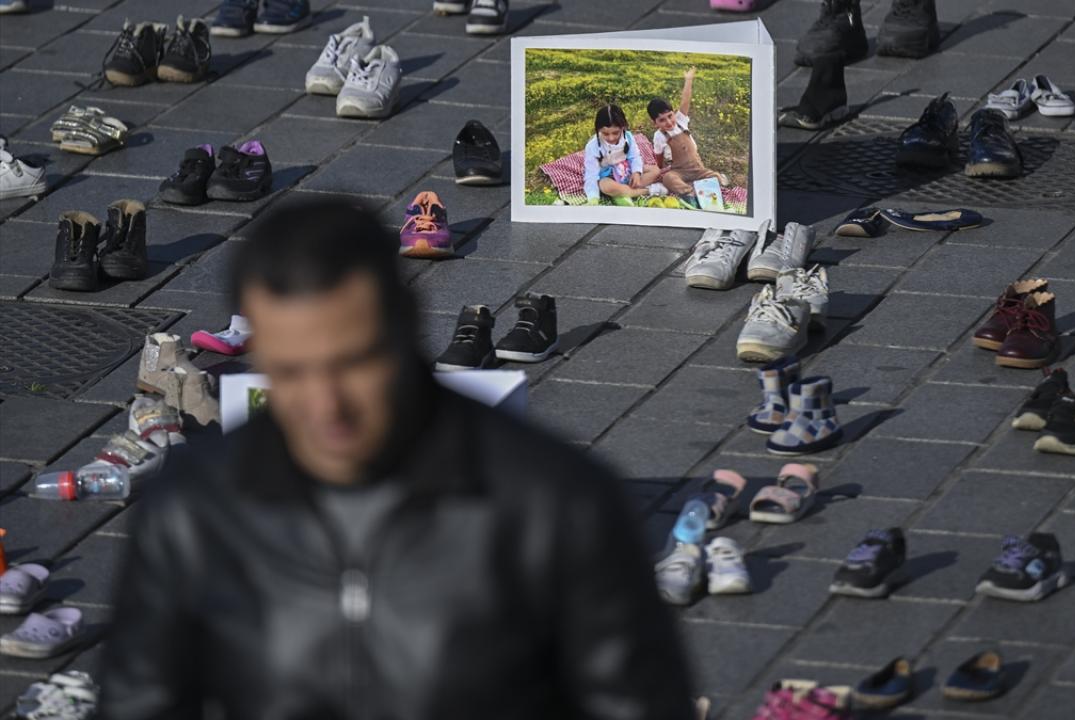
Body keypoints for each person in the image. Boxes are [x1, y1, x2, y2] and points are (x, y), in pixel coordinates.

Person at [98, 198, 695, 720]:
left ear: (408, 328)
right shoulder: (196, 506)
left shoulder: (553, 504)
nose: (326, 405)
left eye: (354, 363)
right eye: (291, 372)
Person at [649, 68, 728, 204]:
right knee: (668, 179)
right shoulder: (659, 136)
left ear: (674, 113)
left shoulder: (681, 120)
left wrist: (689, 79)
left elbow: (685, 100)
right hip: (679, 171)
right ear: (655, 123)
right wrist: (660, 169)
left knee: (714, 176)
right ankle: (690, 193)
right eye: (662, 120)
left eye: (670, 116)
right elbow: (659, 155)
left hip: (698, 169)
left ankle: (712, 182)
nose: (669, 122)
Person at [582, 103, 659, 206]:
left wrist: (636, 173)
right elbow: (591, 175)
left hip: (625, 170)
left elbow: (635, 157)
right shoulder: (593, 146)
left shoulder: (628, 137)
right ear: (598, 130)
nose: (611, 138)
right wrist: (593, 198)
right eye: (605, 134)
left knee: (655, 170)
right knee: (605, 186)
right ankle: (644, 191)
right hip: (608, 176)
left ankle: (621, 192)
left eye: (615, 133)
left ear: (623, 127)